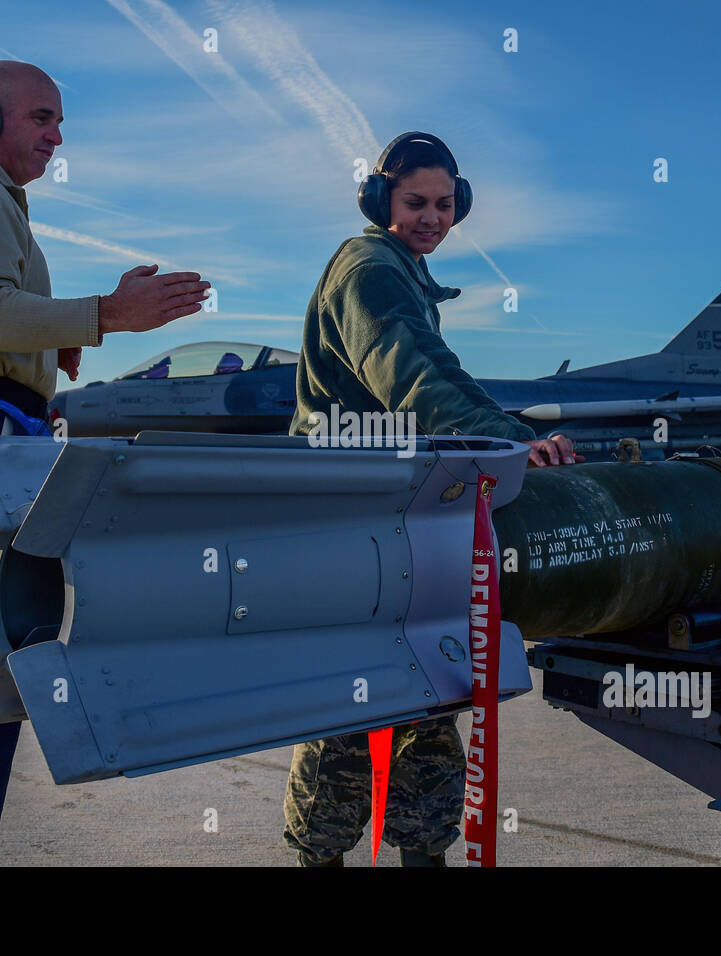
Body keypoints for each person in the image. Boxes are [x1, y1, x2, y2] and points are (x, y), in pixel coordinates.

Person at [0, 53, 210, 866]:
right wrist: (106, 316)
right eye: (41, 117)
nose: (57, 137)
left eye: (60, 122)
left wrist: (53, 339)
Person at [283, 131, 576, 867]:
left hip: (395, 524)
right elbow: (411, 373)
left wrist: (506, 433)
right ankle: (328, 856)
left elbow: (442, 371)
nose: (433, 217)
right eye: (416, 202)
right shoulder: (368, 268)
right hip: (348, 526)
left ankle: (419, 849)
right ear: (382, 201)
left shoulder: (403, 273)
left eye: (446, 204)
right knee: (345, 716)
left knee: (428, 693)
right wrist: (506, 440)